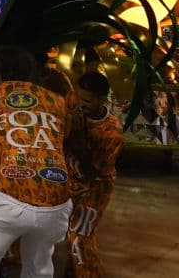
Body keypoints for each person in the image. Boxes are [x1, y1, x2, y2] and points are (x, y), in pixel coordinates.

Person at [0, 45, 74, 278]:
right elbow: (66, 134)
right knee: (39, 264)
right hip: (57, 200)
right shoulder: (58, 101)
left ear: (0, 74)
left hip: (8, 196)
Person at [65, 72, 123, 277]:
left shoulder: (111, 133)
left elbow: (92, 171)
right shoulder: (73, 101)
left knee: (80, 237)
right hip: (69, 180)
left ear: (102, 100)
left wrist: (78, 135)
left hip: (95, 186)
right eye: (78, 97)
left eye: (87, 101)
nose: (79, 103)